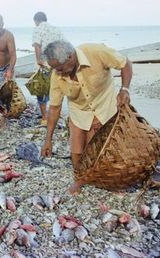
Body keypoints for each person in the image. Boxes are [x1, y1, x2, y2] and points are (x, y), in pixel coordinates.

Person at [40, 40, 132, 194]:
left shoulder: (96, 52)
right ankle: (80, 179)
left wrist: (125, 89)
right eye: (54, 68)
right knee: (77, 150)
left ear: (71, 57)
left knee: (109, 148)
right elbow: (55, 108)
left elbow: (125, 63)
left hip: (105, 105)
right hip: (80, 111)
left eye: (60, 68)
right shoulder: (56, 75)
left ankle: (112, 180)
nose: (58, 72)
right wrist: (48, 140)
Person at [32, 11, 65, 126]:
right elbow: (63, 45)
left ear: (36, 21)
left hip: (44, 64)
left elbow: (37, 45)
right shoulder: (56, 29)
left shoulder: (38, 29)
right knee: (57, 88)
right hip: (58, 63)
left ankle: (45, 117)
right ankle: (57, 114)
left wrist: (38, 60)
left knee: (41, 90)